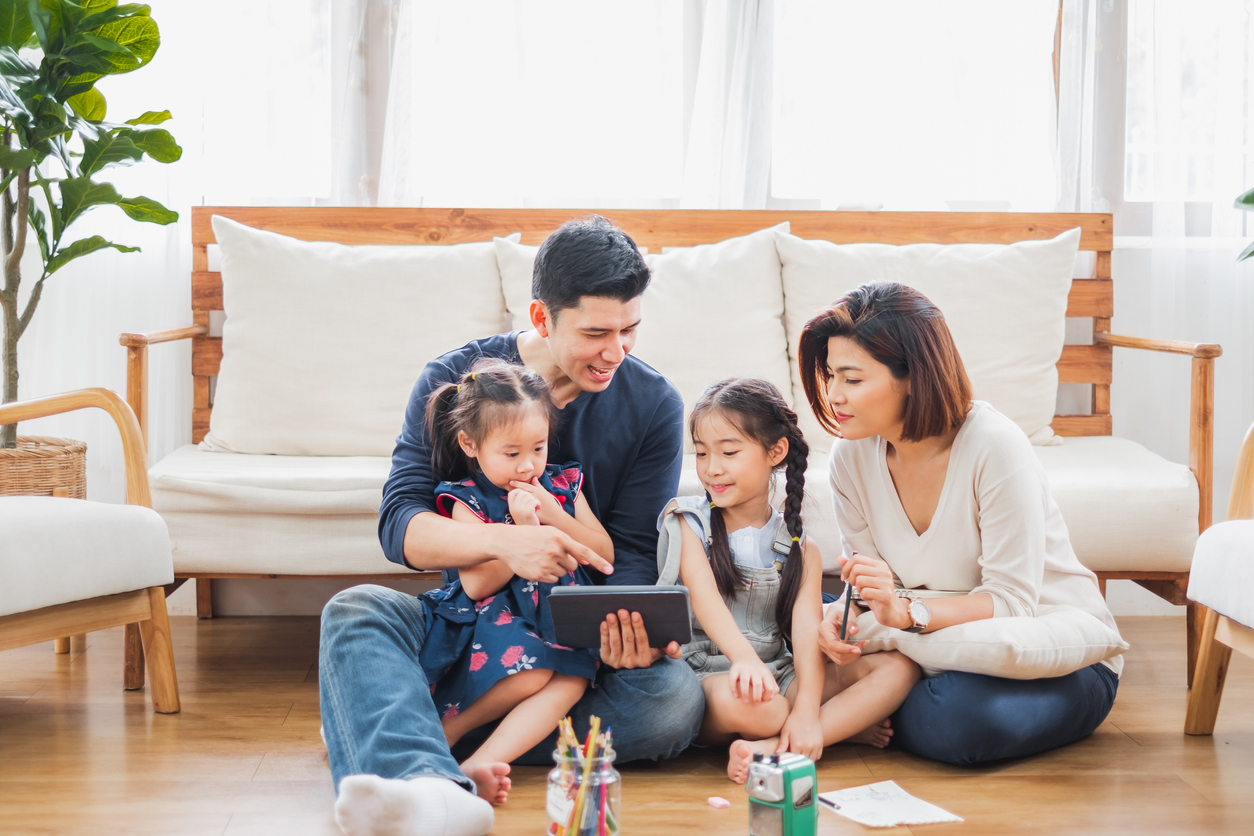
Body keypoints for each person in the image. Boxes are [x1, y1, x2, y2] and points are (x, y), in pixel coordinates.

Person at [321, 216, 705, 836]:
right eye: (596, 333)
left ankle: (405, 743)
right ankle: (429, 779)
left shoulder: (654, 404)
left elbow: (629, 554)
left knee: (672, 701)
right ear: (541, 316)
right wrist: (504, 541)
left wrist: (620, 631)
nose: (617, 351)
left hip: (570, 640)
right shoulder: (458, 382)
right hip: (468, 626)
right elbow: (401, 525)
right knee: (355, 611)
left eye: (630, 330)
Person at [796, 281, 1123, 766]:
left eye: (852, 379)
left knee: (956, 723)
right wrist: (841, 616)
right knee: (795, 616)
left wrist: (903, 614)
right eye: (830, 375)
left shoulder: (994, 446)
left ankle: (863, 704)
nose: (833, 395)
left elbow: (1011, 601)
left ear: (912, 376)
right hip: (927, 642)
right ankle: (866, 701)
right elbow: (872, 590)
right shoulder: (851, 456)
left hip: (1045, 651)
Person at [659, 378, 920, 784]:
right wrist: (745, 661)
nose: (712, 468)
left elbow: (804, 637)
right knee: (766, 710)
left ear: (775, 452)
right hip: (709, 675)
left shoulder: (801, 548)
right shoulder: (686, 522)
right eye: (702, 452)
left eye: (728, 452)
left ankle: (790, 739)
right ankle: (830, 731)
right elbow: (705, 599)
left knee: (898, 668)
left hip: (778, 673)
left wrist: (806, 709)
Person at [417, 359, 610, 800]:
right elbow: (477, 585)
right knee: (531, 673)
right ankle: (446, 733)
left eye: (538, 448)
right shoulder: (467, 499)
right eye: (511, 453)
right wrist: (522, 532)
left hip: (561, 618)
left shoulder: (562, 485)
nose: (528, 466)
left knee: (572, 677)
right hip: (500, 619)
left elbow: (603, 554)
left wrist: (554, 513)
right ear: (470, 444)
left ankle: (481, 761)